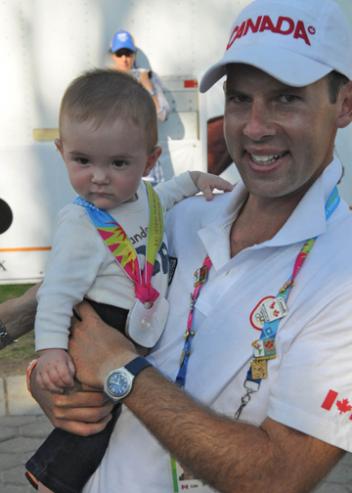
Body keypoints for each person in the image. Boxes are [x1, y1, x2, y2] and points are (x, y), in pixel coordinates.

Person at [3, 0, 352, 491]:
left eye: (286, 98)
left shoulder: (343, 270)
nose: (254, 126)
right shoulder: (184, 214)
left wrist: (120, 369)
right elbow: (86, 302)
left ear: (344, 105)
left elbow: (278, 477)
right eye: (238, 99)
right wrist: (50, 377)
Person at [24, 68, 232, 493]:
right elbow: (56, 295)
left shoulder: (143, 197)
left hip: (140, 318)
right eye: (83, 161)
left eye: (118, 163)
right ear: (62, 152)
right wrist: (49, 352)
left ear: (149, 161)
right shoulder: (79, 223)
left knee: (118, 414)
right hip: (104, 323)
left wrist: (197, 181)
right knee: (96, 414)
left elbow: (167, 194)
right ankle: (49, 476)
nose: (99, 176)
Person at [109, 29, 170, 184]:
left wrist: (148, 87)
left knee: (152, 205)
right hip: (117, 160)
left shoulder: (147, 77)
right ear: (113, 56)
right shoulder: (106, 81)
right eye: (119, 54)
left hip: (146, 162)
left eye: (128, 54)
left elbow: (162, 114)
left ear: (134, 55)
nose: (124, 59)